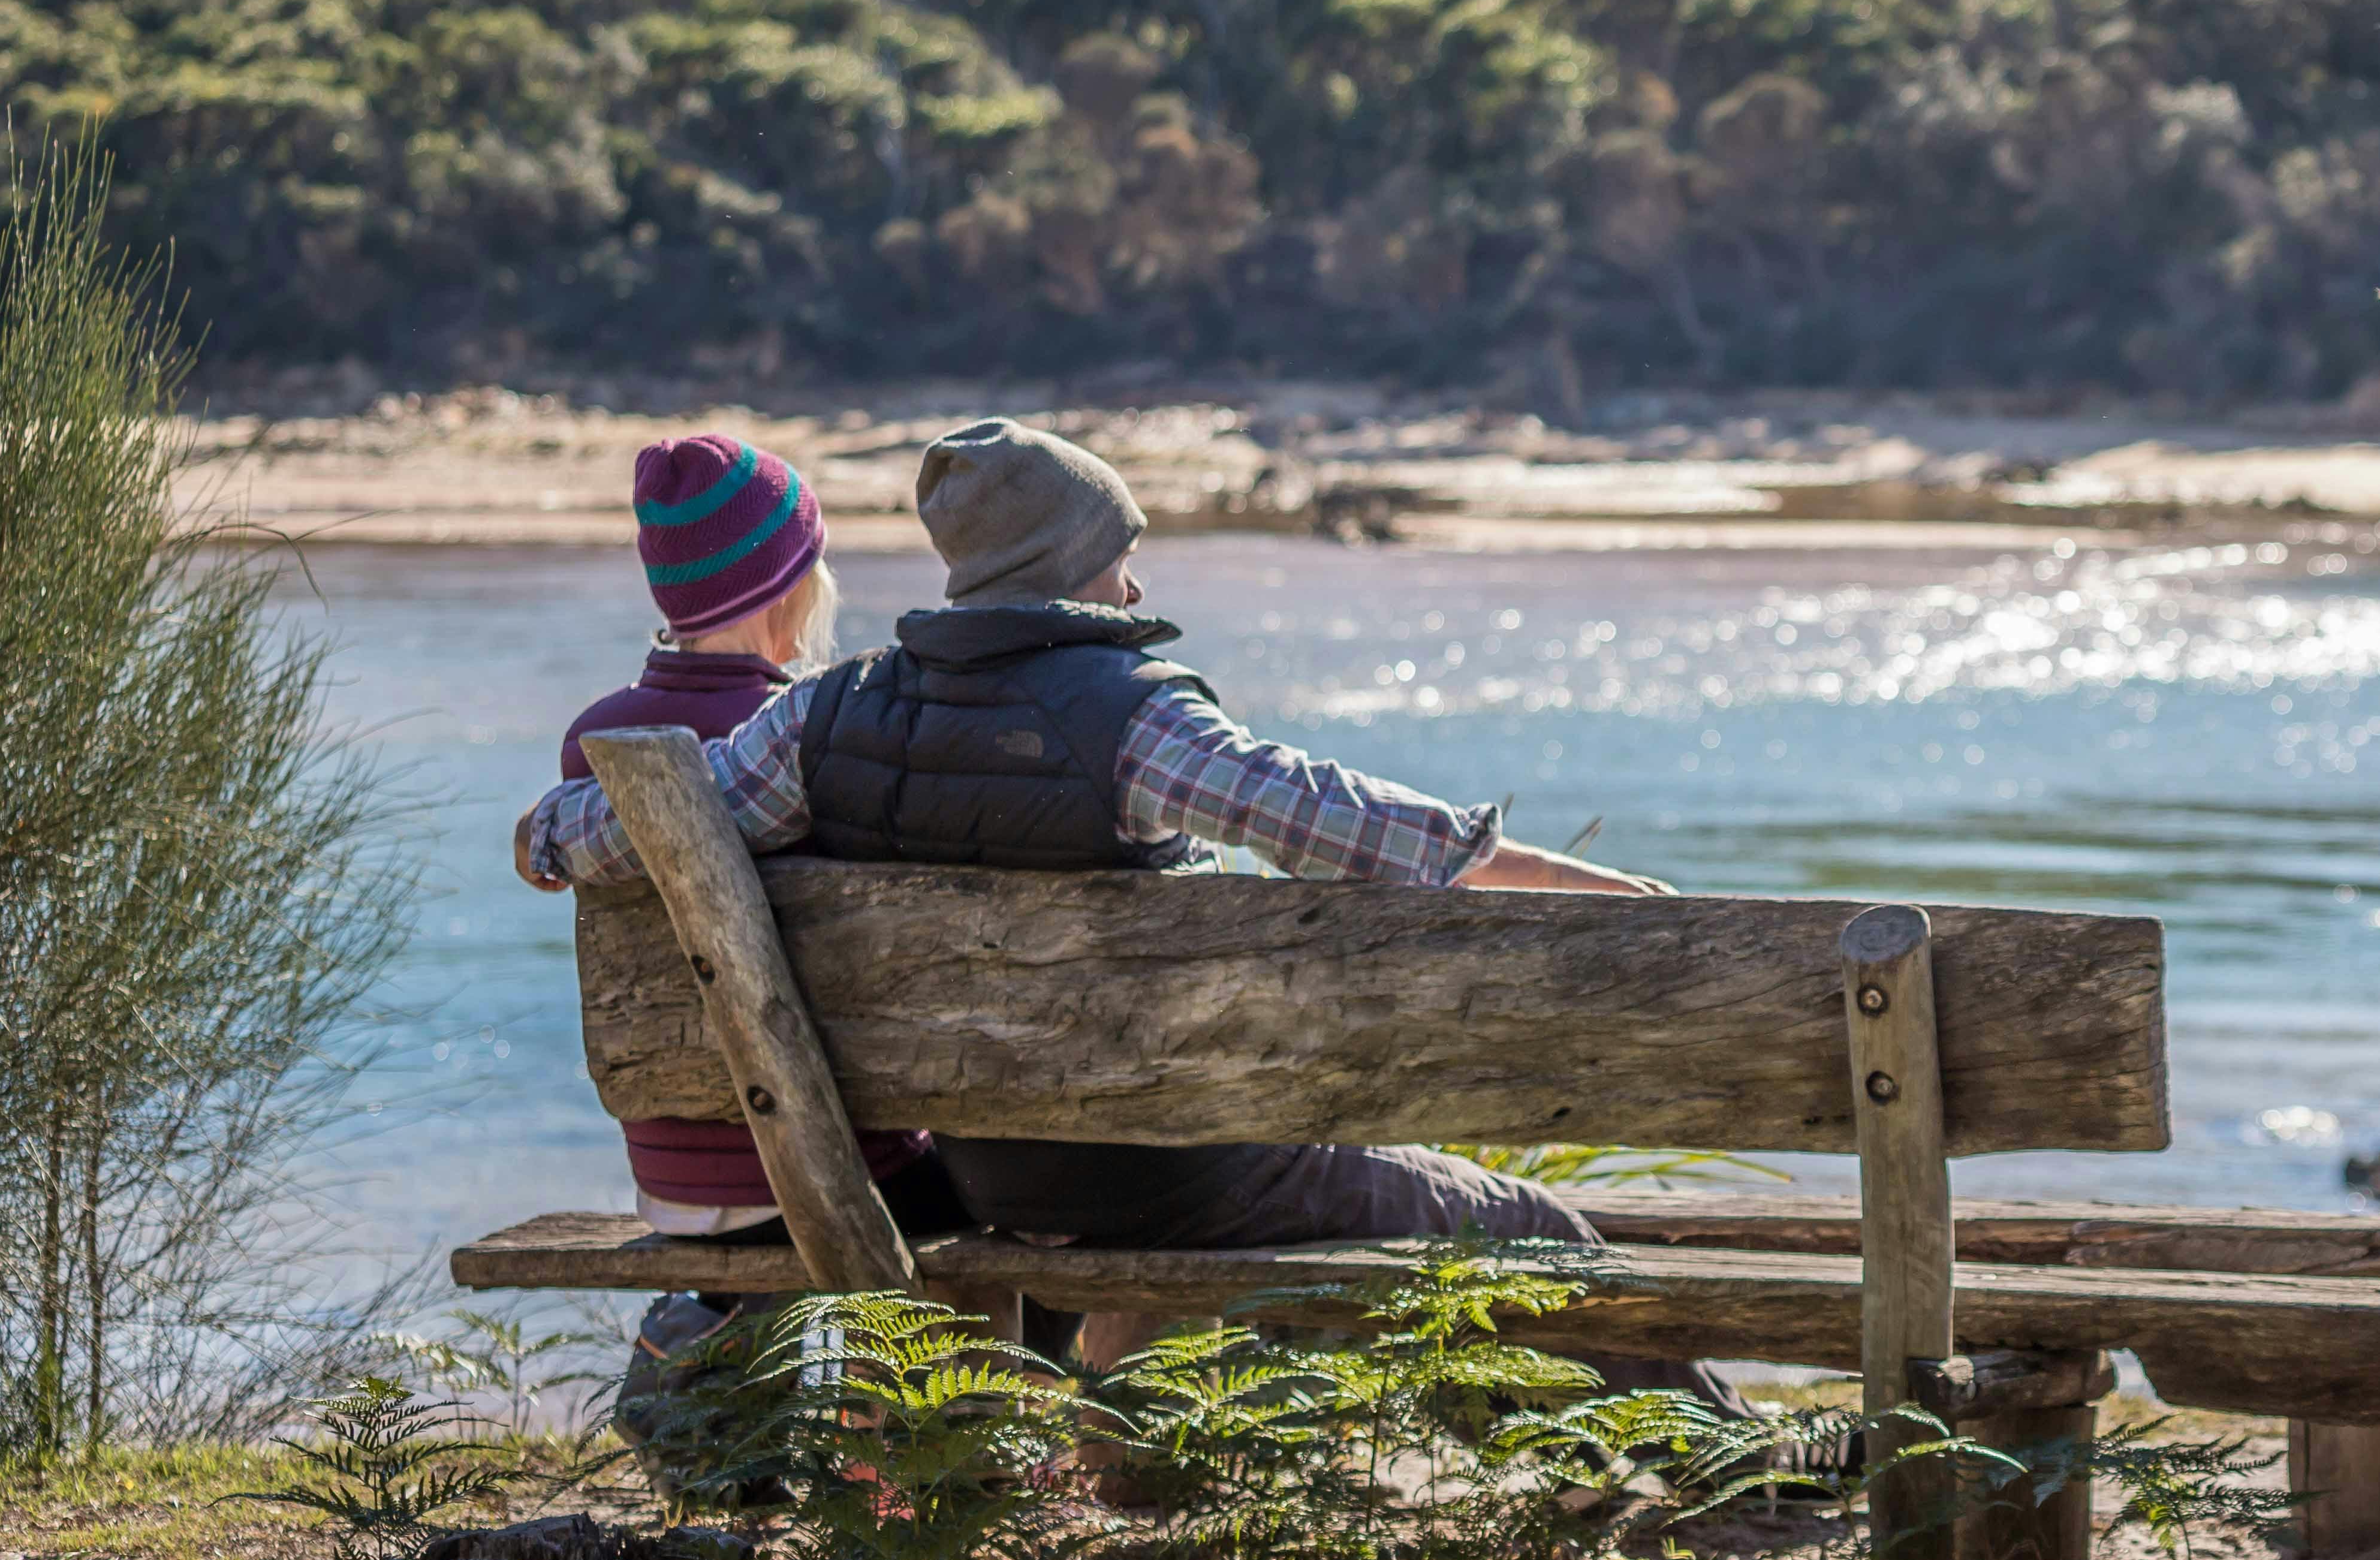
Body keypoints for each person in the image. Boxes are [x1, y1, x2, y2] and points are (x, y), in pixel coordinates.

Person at [514, 416, 1743, 1411]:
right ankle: (1739, 1479)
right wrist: (1565, 880)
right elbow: (1334, 820)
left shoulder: (821, 718)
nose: (1136, 581)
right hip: (1167, 1170)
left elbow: (649, 820)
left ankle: (1121, 1468)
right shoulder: (1130, 723)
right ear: (1063, 566)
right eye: (1119, 552)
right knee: (1525, 1226)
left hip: (991, 1169)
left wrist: (543, 834)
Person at [551, 435, 975, 1462]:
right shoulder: (813, 735)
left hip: (676, 1180)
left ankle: (712, 1350)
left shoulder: (593, 743)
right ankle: (912, 1460)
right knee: (995, 1190)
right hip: (828, 1171)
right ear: (789, 587)